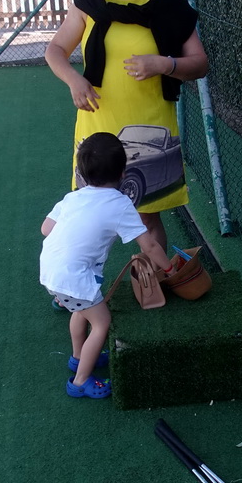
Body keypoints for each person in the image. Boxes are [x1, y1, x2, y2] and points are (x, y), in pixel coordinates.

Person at [44, 0, 208, 252]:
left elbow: (199, 63)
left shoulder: (167, 0)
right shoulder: (90, 0)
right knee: (84, 213)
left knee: (147, 216)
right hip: (97, 128)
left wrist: (164, 64)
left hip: (150, 125)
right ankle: (72, 285)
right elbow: (55, 50)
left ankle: (156, 280)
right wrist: (74, 80)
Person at [40, 131, 174, 400]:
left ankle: (79, 357)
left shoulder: (72, 197)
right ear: (123, 172)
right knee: (101, 323)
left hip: (50, 270)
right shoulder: (120, 204)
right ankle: (80, 382)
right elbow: (148, 246)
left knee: (81, 311)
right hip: (75, 278)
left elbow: (45, 229)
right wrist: (169, 268)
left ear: (81, 171)